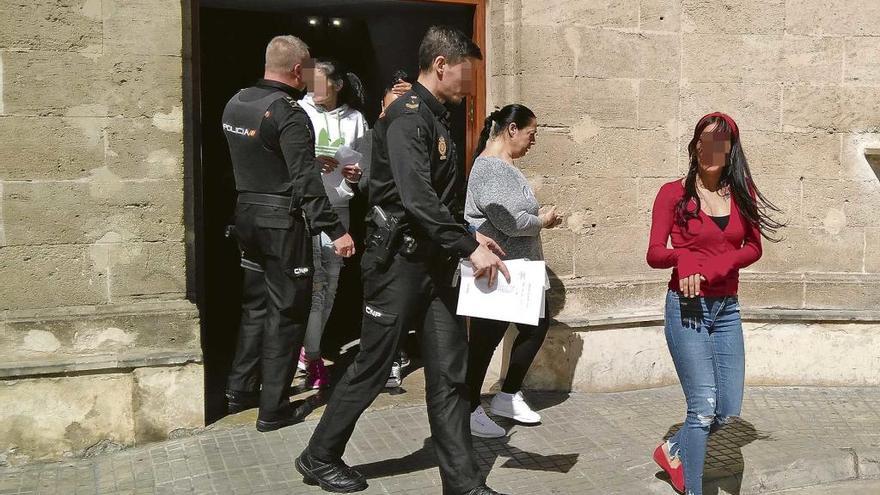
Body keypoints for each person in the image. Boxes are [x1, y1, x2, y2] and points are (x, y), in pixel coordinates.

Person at [295, 26, 511, 495]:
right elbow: (417, 200)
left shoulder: (433, 117)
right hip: (397, 266)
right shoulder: (410, 117)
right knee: (373, 366)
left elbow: (442, 202)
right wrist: (468, 246)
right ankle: (318, 456)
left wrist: (471, 236)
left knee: (450, 374)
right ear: (441, 65)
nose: (471, 84)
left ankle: (463, 484)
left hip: (434, 267)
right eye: (467, 73)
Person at [220, 35, 355, 432]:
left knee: (255, 305)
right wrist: (335, 230)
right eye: (308, 69)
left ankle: (240, 390)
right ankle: (273, 407)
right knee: (287, 313)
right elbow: (306, 183)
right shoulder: (290, 112)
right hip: (281, 222)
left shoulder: (237, 102)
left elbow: (262, 154)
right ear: (298, 70)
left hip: (246, 213)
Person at [646, 112, 783, 495]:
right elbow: (655, 252)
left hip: (727, 310)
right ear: (694, 145)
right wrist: (683, 258)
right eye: (704, 141)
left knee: (727, 411)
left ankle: (673, 448)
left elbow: (753, 247)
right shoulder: (672, 193)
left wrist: (721, 265)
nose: (710, 149)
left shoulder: (741, 192)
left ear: (729, 151)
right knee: (702, 408)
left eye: (719, 143)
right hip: (687, 309)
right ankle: (692, 488)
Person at [463, 104, 563, 438]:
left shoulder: (503, 166)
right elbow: (510, 220)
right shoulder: (492, 168)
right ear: (511, 129)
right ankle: (468, 408)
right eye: (531, 133)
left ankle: (506, 397)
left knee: (534, 327)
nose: (533, 141)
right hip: (501, 268)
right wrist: (543, 221)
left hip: (518, 270)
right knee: (485, 341)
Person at [297, 59, 369, 389]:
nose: (314, 89)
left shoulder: (355, 120)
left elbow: (367, 164)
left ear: (338, 84)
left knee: (331, 286)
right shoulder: (299, 112)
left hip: (340, 208)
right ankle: (311, 355)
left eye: (321, 82)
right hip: (306, 211)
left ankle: (308, 352)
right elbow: (289, 158)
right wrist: (312, 162)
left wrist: (357, 173)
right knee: (315, 287)